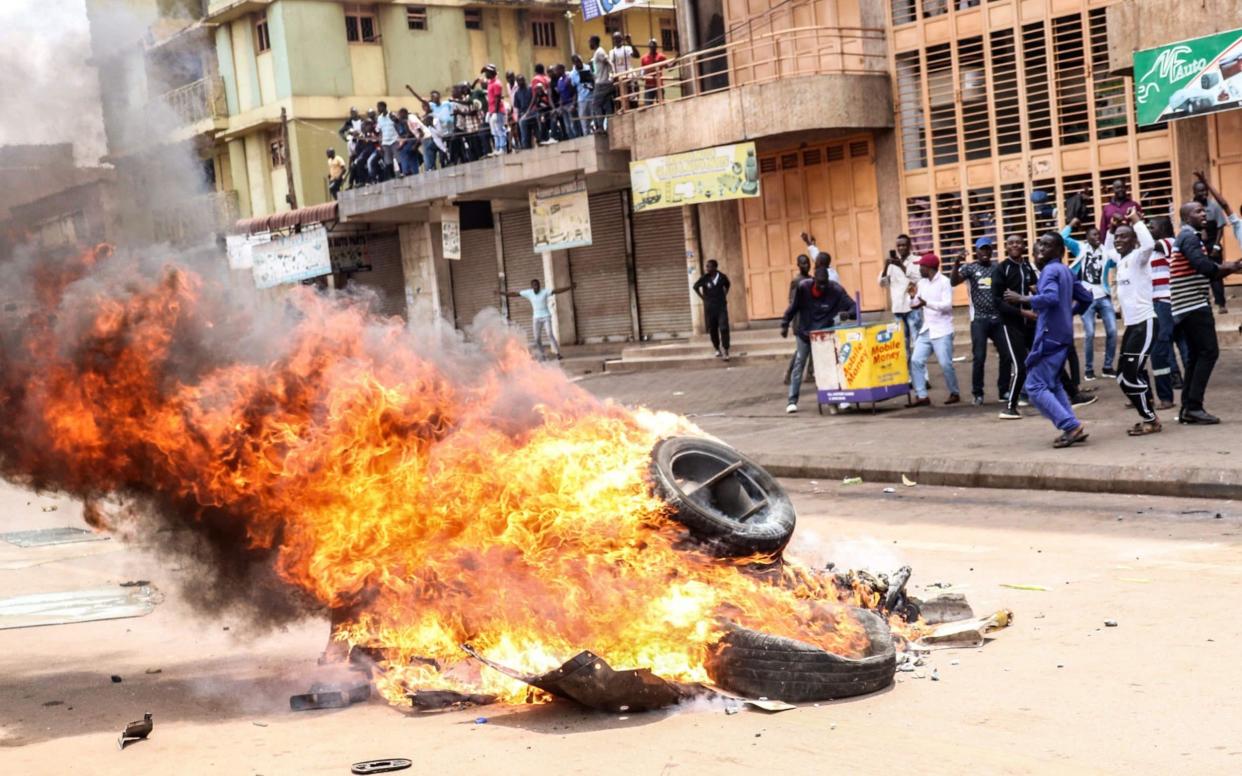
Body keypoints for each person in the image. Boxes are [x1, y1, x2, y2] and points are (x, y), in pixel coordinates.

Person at [1003, 232, 1093, 448]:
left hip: (1049, 336)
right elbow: (1086, 298)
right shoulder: (1065, 270)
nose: (1042, 248)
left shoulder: (1050, 270)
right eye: (1040, 244)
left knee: (1034, 386)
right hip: (1061, 335)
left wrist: (1023, 298)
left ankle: (1070, 426)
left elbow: (1051, 298)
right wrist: (1067, 313)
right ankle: (1072, 426)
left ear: (1059, 251)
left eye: (1047, 245)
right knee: (1051, 384)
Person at [1171, 172, 1242, 424]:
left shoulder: (1190, 238)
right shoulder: (1188, 237)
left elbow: (1204, 265)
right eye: (1199, 212)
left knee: (1196, 355)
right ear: (1187, 216)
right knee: (1209, 352)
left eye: (1204, 211)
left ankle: (1188, 408)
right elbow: (1203, 267)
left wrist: (1229, 266)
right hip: (1193, 305)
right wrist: (1229, 267)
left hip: (1189, 304)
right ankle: (1193, 406)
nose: (1204, 214)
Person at [1109, 208, 1161, 435]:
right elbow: (1108, 249)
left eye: (1124, 236)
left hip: (1145, 323)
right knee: (1124, 375)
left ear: (1133, 240)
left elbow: (1149, 245)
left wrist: (1136, 222)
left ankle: (1150, 419)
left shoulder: (1139, 258)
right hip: (1132, 327)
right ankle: (1149, 415)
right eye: (1118, 236)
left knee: (1129, 375)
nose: (1119, 240)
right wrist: (1111, 230)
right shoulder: (1121, 262)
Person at [780, 266, 857, 413]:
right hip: (805, 333)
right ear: (813, 280)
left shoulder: (835, 290)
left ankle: (834, 401)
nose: (822, 287)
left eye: (825, 284)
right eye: (819, 283)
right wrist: (784, 323)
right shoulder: (803, 288)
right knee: (799, 363)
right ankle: (792, 400)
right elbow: (793, 307)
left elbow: (853, 306)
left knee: (828, 367)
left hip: (824, 336)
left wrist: (848, 314)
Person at [951, 236, 1005, 405]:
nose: (985, 252)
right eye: (982, 249)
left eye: (988, 248)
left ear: (992, 250)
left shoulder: (998, 268)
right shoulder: (970, 269)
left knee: (1006, 355)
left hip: (997, 319)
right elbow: (953, 282)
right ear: (976, 251)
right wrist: (956, 264)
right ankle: (978, 393)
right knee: (979, 357)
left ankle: (1004, 390)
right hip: (979, 320)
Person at [1064, 221, 1117, 379]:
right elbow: (1062, 237)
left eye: (1099, 234)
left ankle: (1107, 367)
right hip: (1086, 297)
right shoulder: (1080, 247)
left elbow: (1117, 257)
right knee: (1090, 333)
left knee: (1113, 331)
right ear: (1087, 238)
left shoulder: (1106, 252)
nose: (1097, 237)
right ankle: (1088, 369)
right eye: (1094, 234)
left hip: (1103, 295)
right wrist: (1071, 224)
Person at [908, 253, 961, 407]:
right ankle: (922, 396)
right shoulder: (922, 283)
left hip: (942, 330)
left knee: (945, 364)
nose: (919, 269)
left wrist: (926, 303)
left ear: (929, 268)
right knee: (916, 360)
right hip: (927, 329)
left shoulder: (945, 282)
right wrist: (912, 297)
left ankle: (954, 392)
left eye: (921, 266)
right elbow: (916, 303)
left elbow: (947, 305)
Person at [993, 234, 1035, 419]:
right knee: (1020, 365)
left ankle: (1037, 396)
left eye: (1018, 242)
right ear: (1006, 247)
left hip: (1030, 323)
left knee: (1037, 360)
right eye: (1011, 243)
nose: (1015, 245)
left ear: (1024, 245)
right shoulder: (1002, 269)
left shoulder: (1027, 267)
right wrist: (1023, 312)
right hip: (1010, 324)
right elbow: (997, 302)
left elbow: (1035, 288)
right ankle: (1010, 407)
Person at [1148, 216, 1184, 409]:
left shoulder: (1168, 242)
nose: (1149, 229)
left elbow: (1151, 244)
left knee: (1159, 350)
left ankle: (1166, 397)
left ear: (1163, 228)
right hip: (1160, 303)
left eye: (1152, 226)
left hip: (1164, 302)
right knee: (1179, 345)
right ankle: (1183, 391)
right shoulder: (1155, 250)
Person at [500, 279, 575, 360]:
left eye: (537, 285)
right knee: (537, 338)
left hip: (546, 316)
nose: (536, 287)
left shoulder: (545, 291)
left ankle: (558, 353)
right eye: (534, 285)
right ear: (532, 286)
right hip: (536, 318)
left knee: (550, 334)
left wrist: (570, 287)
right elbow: (515, 294)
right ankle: (543, 355)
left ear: (539, 285)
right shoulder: (529, 293)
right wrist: (501, 293)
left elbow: (557, 291)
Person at [879, 234, 923, 359]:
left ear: (909, 246)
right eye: (899, 245)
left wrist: (901, 266)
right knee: (903, 345)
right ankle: (908, 376)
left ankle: (922, 376)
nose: (901, 248)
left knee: (917, 342)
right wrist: (886, 266)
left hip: (913, 307)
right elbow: (883, 283)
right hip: (898, 309)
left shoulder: (917, 260)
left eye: (904, 245)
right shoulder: (891, 264)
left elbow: (918, 278)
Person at [1193, 175, 1230, 314]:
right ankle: (1203, 304)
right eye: (1200, 191)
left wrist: (1216, 246)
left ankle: (1221, 303)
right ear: (1194, 192)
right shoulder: (1190, 207)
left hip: (1213, 244)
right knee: (1199, 276)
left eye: (1205, 190)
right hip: (1197, 245)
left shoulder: (1214, 207)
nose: (1203, 193)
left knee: (1216, 274)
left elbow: (1220, 226)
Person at [783, 253, 813, 386]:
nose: (806, 265)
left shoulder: (812, 279)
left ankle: (810, 373)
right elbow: (792, 302)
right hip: (801, 320)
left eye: (807, 262)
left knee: (813, 347)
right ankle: (790, 372)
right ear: (798, 265)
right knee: (801, 350)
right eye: (803, 263)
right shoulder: (797, 281)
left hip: (812, 319)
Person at [693, 260, 731, 360]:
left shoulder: (722, 277)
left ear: (714, 267)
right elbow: (695, 287)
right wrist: (703, 298)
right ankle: (717, 348)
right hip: (710, 309)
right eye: (706, 267)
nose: (707, 268)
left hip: (721, 307)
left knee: (724, 328)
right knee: (713, 329)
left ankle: (726, 350)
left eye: (709, 267)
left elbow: (727, 285)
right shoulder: (705, 278)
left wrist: (724, 295)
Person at [482, 65, 508, 157]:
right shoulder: (490, 83)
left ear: (492, 73)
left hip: (498, 111)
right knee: (494, 131)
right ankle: (497, 148)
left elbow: (497, 99)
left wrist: (496, 112)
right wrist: (490, 112)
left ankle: (502, 148)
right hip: (492, 110)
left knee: (500, 129)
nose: (485, 74)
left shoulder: (497, 83)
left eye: (487, 72)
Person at [590, 35, 615, 130]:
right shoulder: (597, 52)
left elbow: (609, 62)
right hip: (602, 81)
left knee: (595, 104)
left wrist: (612, 73)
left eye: (590, 42)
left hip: (602, 84)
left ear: (594, 42)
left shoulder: (599, 52)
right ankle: (609, 126)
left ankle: (600, 126)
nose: (589, 44)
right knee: (606, 105)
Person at [609, 32, 639, 110]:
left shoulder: (627, 48)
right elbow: (611, 66)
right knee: (620, 100)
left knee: (631, 99)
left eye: (618, 38)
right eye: (615, 38)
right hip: (618, 79)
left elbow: (637, 55)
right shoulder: (611, 52)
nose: (616, 40)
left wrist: (630, 43)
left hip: (628, 77)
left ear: (621, 39)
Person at [570, 54, 595, 135]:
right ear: (574, 63)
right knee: (584, 122)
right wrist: (574, 103)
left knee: (594, 119)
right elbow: (574, 90)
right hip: (581, 100)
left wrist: (592, 85)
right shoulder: (572, 74)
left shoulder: (588, 67)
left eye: (580, 61)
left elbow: (594, 81)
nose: (580, 63)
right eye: (577, 62)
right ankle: (587, 137)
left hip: (592, 97)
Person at [375, 101, 399, 181]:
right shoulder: (379, 118)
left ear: (383, 107)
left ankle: (401, 173)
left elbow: (397, 123)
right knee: (388, 161)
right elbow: (380, 131)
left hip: (394, 140)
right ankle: (392, 177)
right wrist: (380, 143)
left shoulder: (391, 115)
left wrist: (395, 118)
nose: (378, 109)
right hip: (385, 142)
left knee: (398, 158)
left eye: (379, 107)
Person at [640, 39, 668, 106]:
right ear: (648, 46)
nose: (652, 46)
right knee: (648, 106)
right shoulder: (644, 58)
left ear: (656, 46)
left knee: (661, 105)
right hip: (648, 85)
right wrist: (643, 75)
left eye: (654, 44)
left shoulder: (661, 57)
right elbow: (642, 72)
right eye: (651, 44)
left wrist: (676, 60)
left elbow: (668, 66)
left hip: (659, 84)